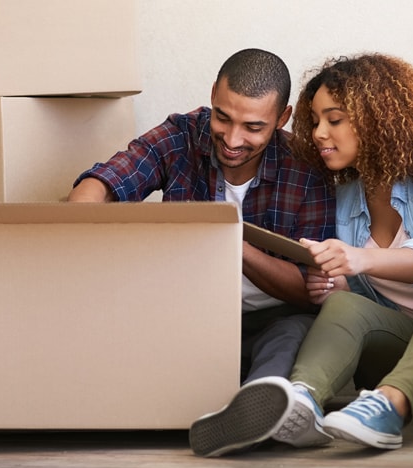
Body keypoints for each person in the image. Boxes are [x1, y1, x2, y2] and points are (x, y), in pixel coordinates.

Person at [189, 53, 413, 457]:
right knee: (343, 304)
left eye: (334, 119)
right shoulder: (346, 195)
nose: (319, 132)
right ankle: (299, 403)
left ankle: (389, 408)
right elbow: (361, 294)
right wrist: (334, 282)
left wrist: (358, 259)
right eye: (315, 121)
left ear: (377, 116)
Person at [67, 49, 335, 392]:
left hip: (274, 319)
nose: (233, 139)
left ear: (282, 118)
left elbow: (308, 289)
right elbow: (103, 183)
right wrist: (82, 223)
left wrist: (230, 242)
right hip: (185, 314)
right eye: (223, 118)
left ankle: (257, 403)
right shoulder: (182, 135)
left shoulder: (306, 168)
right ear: (212, 95)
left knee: (298, 334)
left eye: (253, 127)